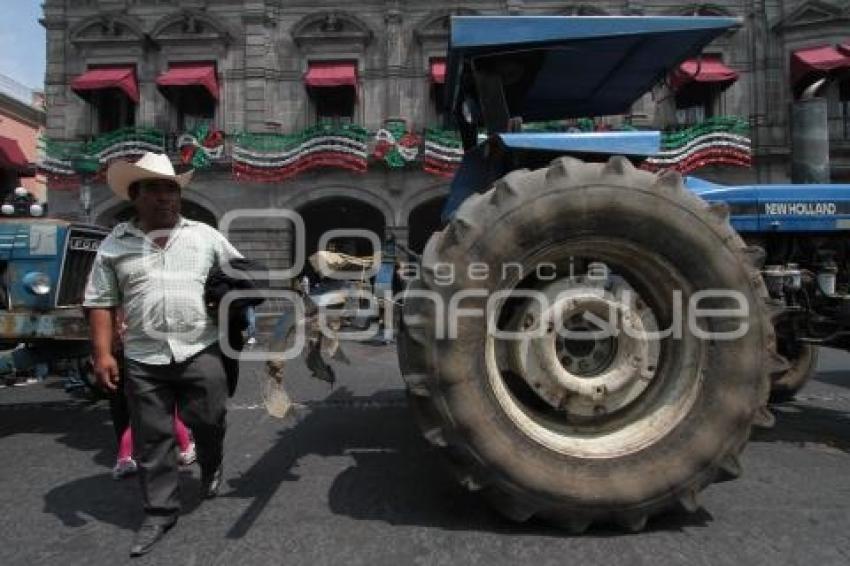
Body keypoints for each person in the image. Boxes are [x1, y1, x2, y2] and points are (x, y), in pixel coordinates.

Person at [84, 152, 242, 557]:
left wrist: (234, 295)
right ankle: (159, 511)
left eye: (171, 189)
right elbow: (100, 302)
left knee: (209, 418)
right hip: (142, 356)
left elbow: (241, 277)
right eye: (154, 189)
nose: (166, 197)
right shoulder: (114, 245)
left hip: (200, 348)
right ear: (135, 196)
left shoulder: (206, 236)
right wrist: (103, 354)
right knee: (153, 439)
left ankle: (211, 460)